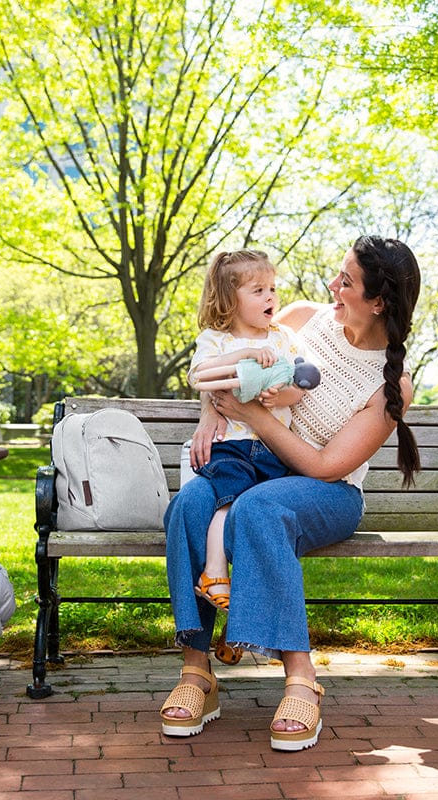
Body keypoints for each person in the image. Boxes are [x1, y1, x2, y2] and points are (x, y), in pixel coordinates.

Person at [159, 235, 422, 752]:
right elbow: (226, 374)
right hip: (255, 467)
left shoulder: (392, 385)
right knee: (188, 504)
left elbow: (326, 465)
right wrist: (211, 416)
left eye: (346, 281)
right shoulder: (300, 320)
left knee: (260, 507)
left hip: (328, 492)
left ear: (378, 302)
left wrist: (252, 414)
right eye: (338, 273)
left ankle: (302, 679)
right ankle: (197, 673)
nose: (332, 285)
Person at [184, 249, 313, 614]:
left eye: (272, 288)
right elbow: (199, 376)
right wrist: (247, 355)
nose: (270, 296)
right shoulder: (216, 339)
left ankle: (241, 605)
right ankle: (213, 573)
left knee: (260, 521)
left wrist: (277, 396)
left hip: (273, 447)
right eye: (257, 290)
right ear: (229, 299)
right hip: (232, 446)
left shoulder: (284, 337)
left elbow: (299, 385)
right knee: (230, 502)